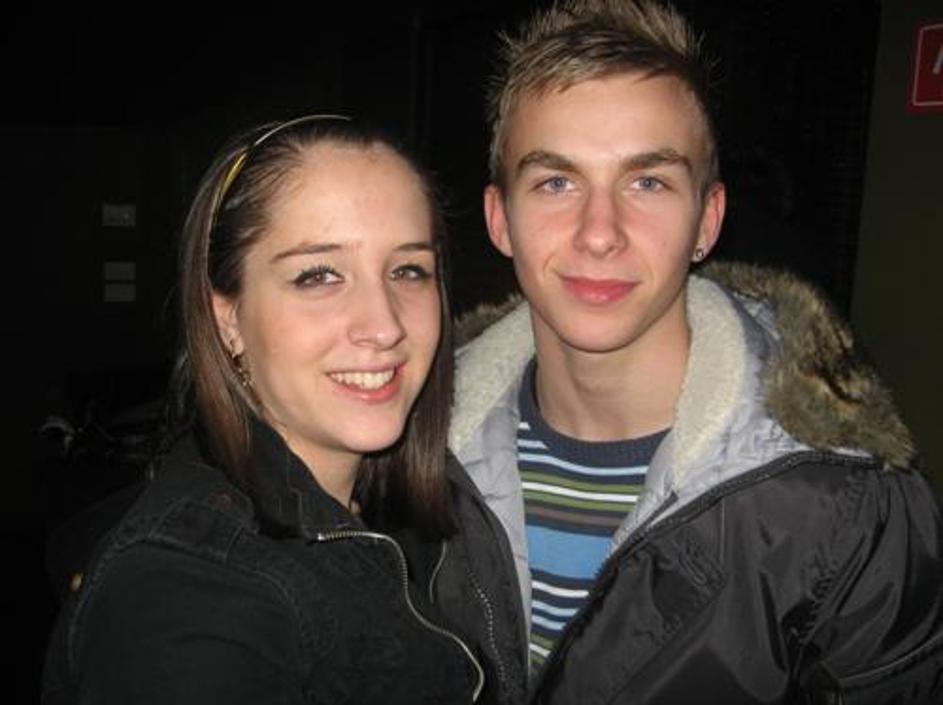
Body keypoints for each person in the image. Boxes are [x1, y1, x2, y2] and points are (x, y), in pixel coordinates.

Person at [442, 1, 943, 703]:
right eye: (556, 181)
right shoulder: (411, 451)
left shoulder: (845, 507)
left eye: (647, 182)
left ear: (707, 221)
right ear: (500, 219)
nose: (599, 232)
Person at [42, 115, 487, 704]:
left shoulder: (415, 510)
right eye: (319, 275)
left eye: (409, 270)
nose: (384, 326)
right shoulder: (189, 601)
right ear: (229, 319)